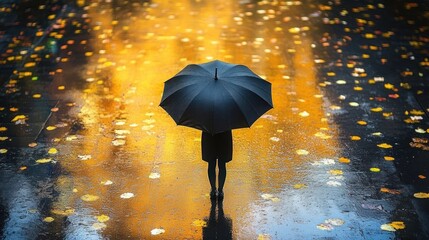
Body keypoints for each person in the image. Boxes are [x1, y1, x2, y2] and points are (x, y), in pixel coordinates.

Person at [201, 130, 233, 199]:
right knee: (222, 163)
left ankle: (213, 189)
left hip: (209, 132)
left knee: (211, 163)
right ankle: (220, 190)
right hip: (224, 132)